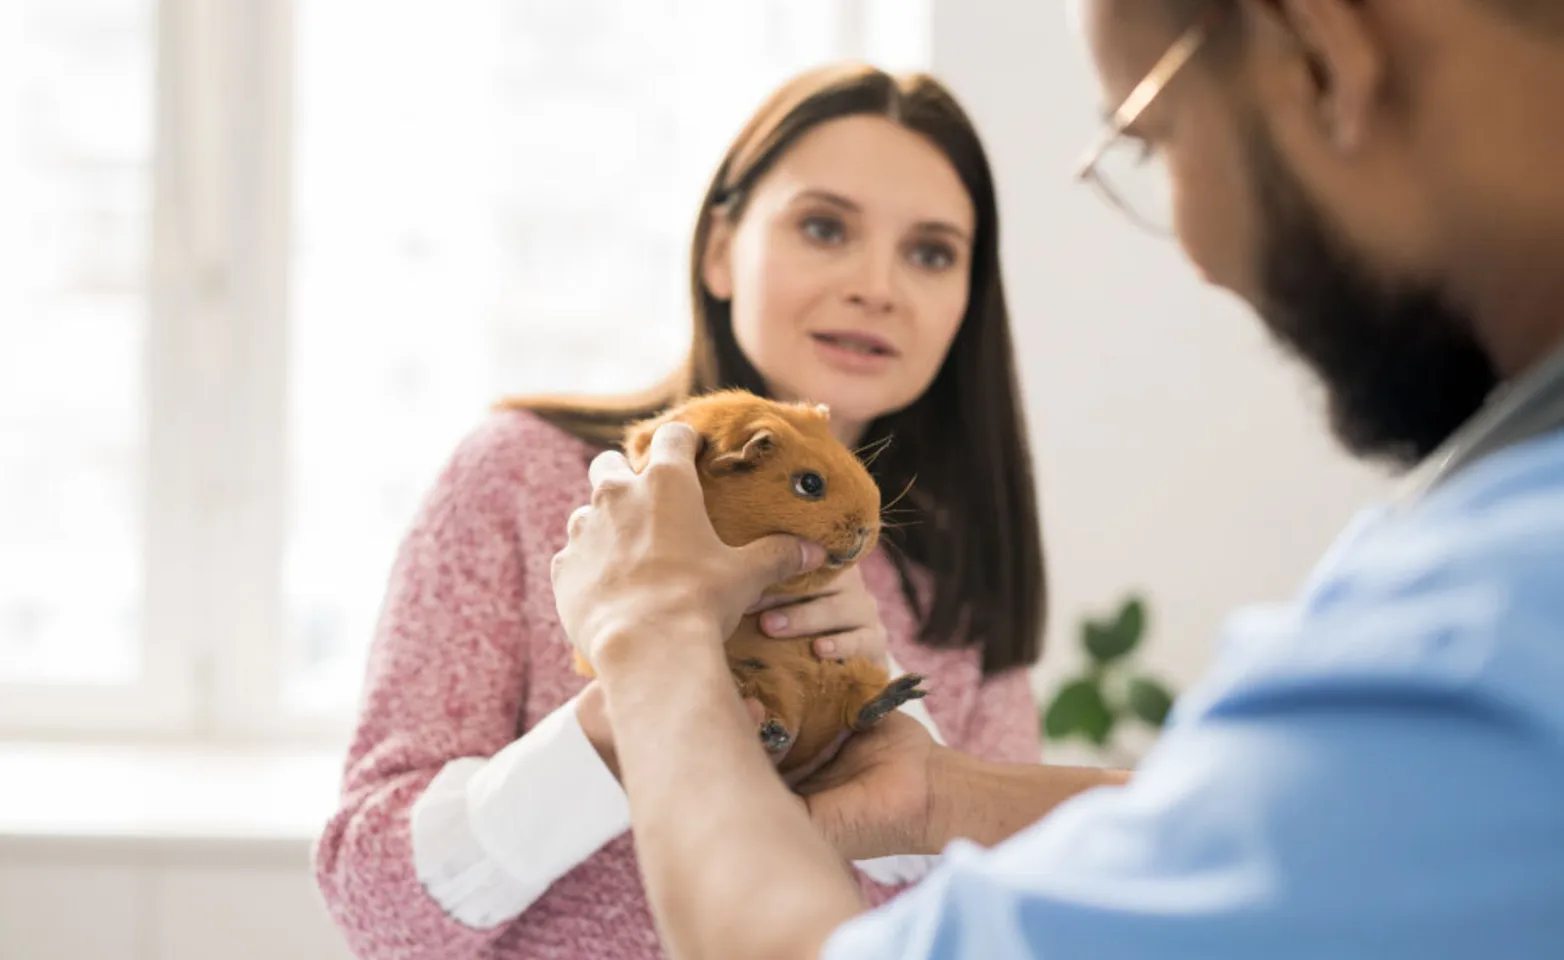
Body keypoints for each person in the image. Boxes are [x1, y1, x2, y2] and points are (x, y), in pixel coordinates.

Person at [547, 0, 1564, 958]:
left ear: (1319, 58)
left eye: (1153, 138)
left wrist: (652, 640)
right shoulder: (1495, 588)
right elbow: (1318, 832)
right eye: (824, 227)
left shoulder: (1483, 627)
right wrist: (944, 797)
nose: (1201, 261)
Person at [311, 62, 1050, 959]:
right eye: (824, 227)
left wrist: (878, 723)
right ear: (717, 249)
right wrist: (636, 700)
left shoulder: (953, 575)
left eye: (931, 252)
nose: (876, 285)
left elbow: (1018, 919)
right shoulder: (522, 475)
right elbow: (374, 903)